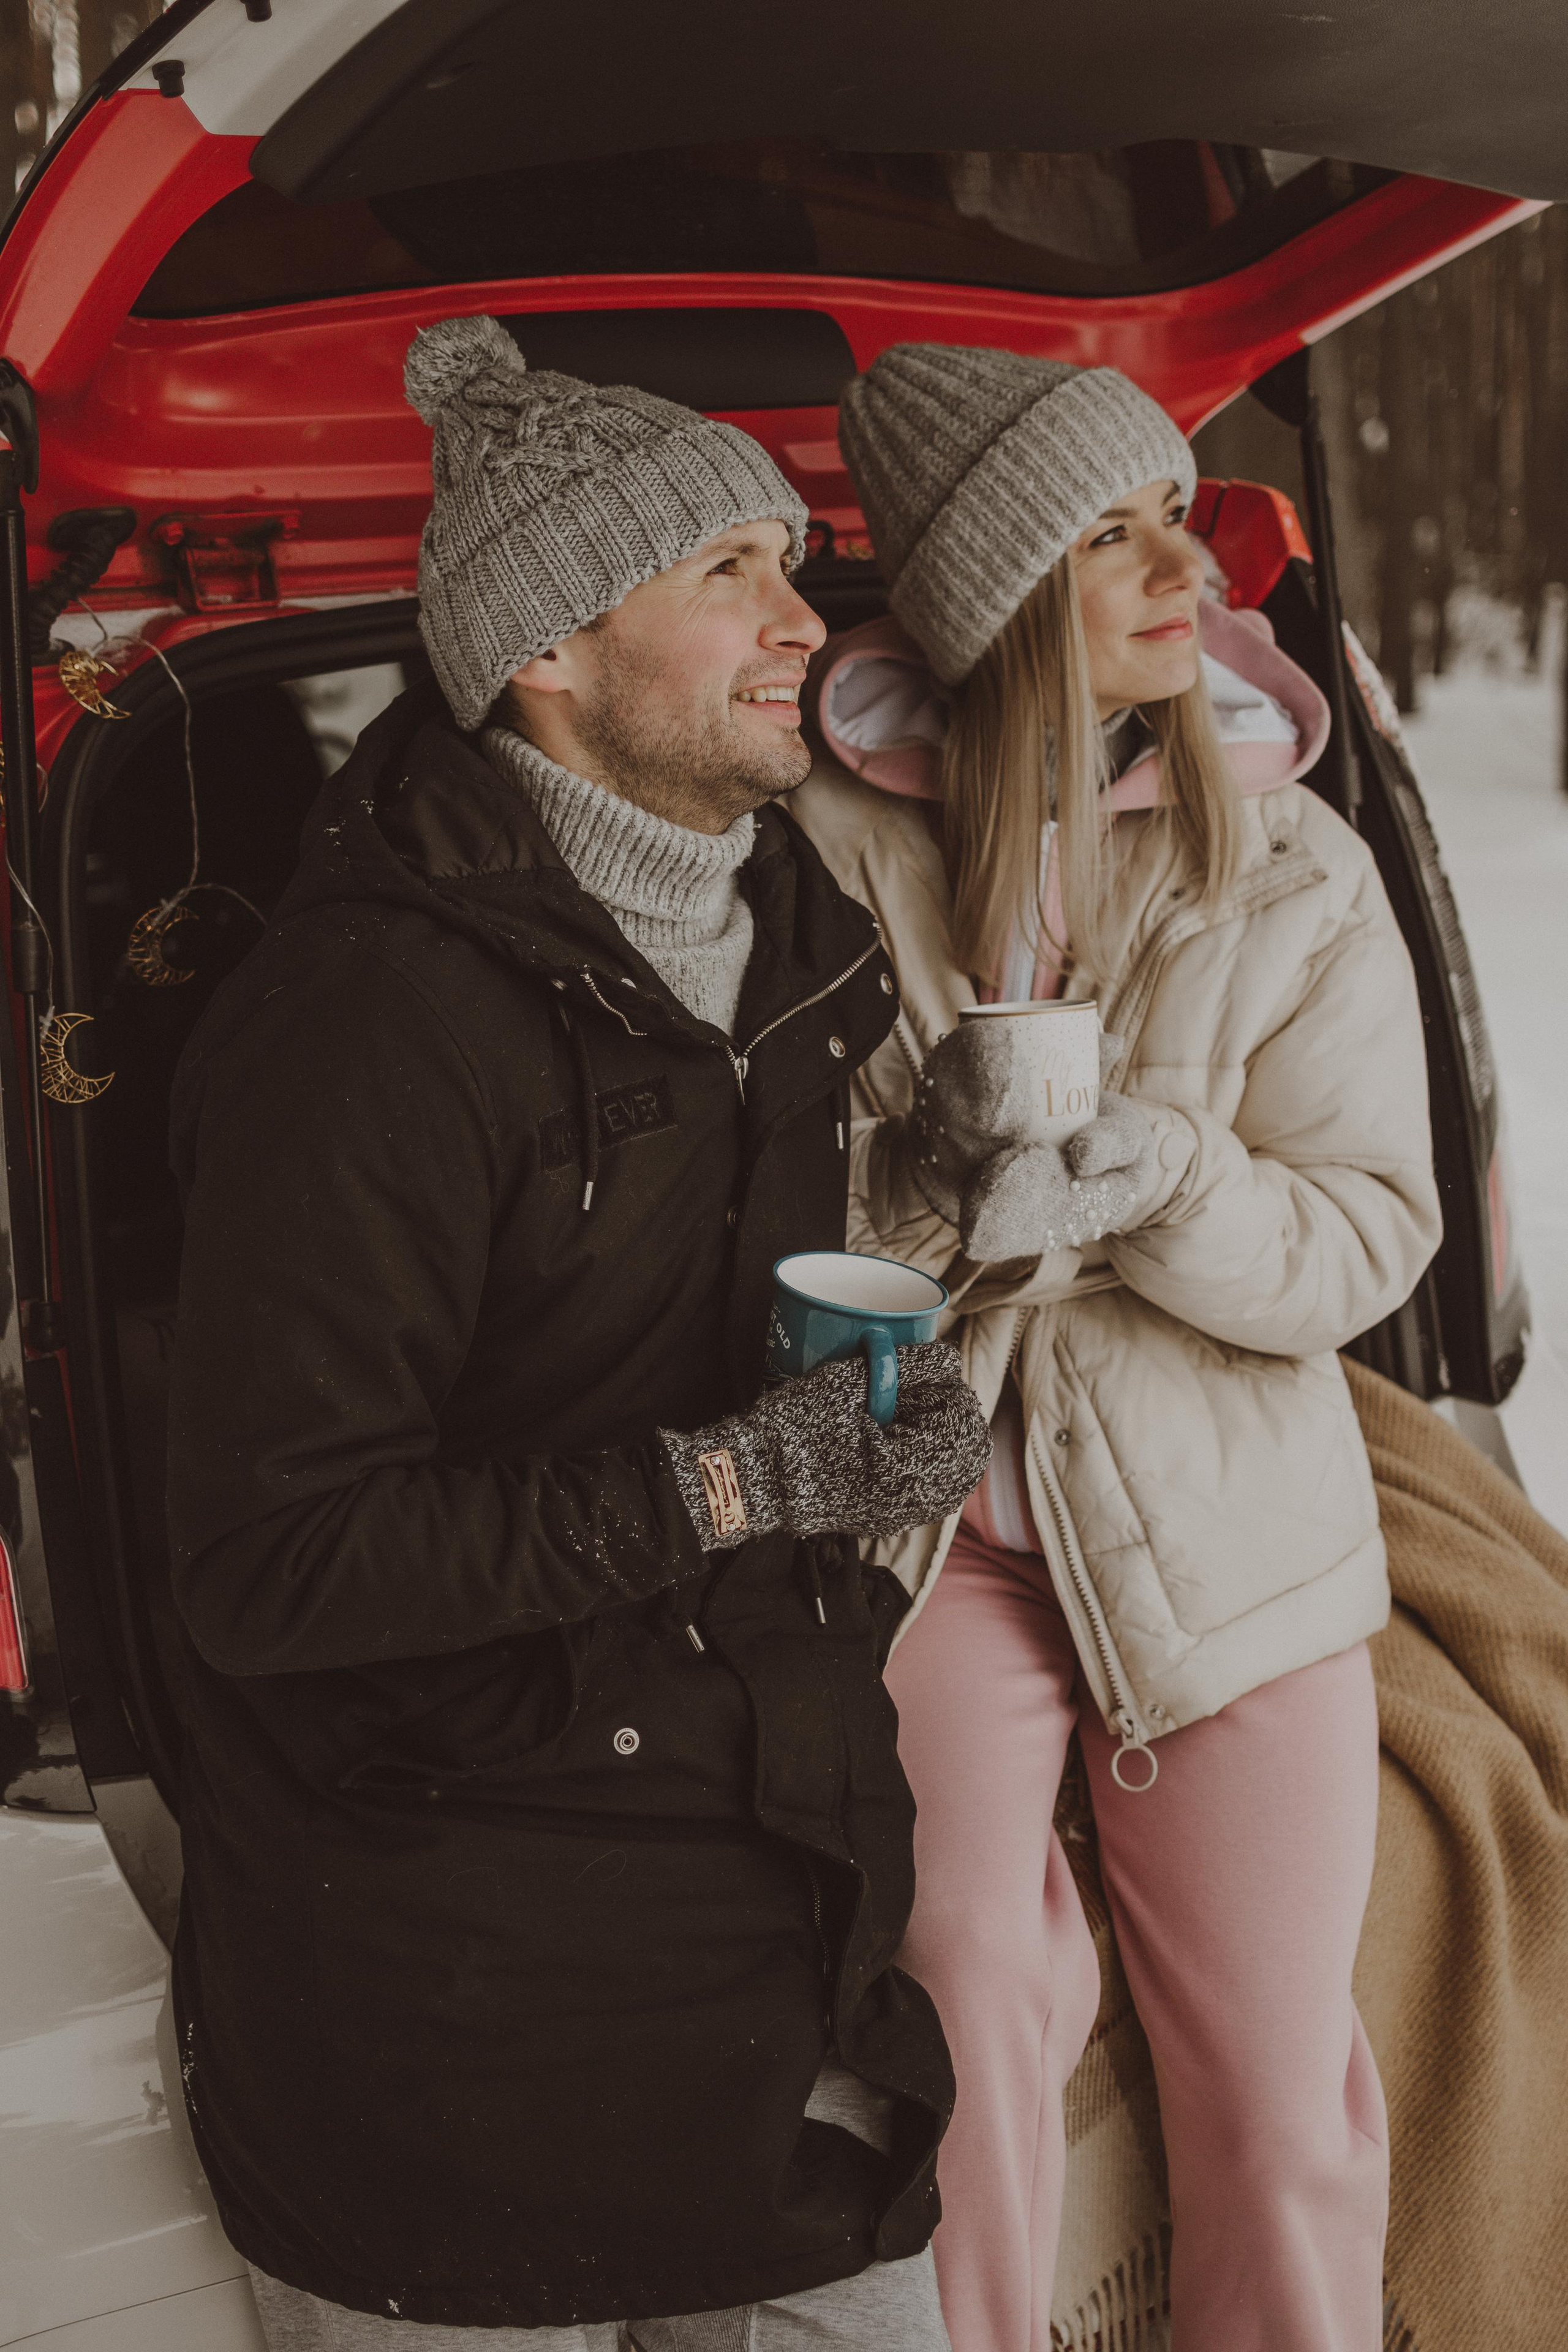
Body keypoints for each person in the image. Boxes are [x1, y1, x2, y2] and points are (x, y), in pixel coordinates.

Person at [164, 315, 991, 2352]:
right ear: (547, 648)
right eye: (730, 571)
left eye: (791, 560)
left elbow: (703, 1366)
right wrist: (726, 1483)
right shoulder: (368, 1023)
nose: (804, 616)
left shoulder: (787, 957)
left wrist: (884, 1420)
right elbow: (275, 1566)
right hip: (458, 2017)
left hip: (768, 1942)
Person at [792, 342, 1443, 2352]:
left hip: (1227, 1530)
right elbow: (757, 1224)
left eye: (1176, 510)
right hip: (934, 1519)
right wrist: (919, 1187)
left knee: (1273, 2083)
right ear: (994, 599)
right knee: (966, 1983)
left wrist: (1165, 1175)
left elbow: (1367, 1236)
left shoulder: (1300, 869)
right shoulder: (825, 853)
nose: (1188, 567)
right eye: (1113, 534)